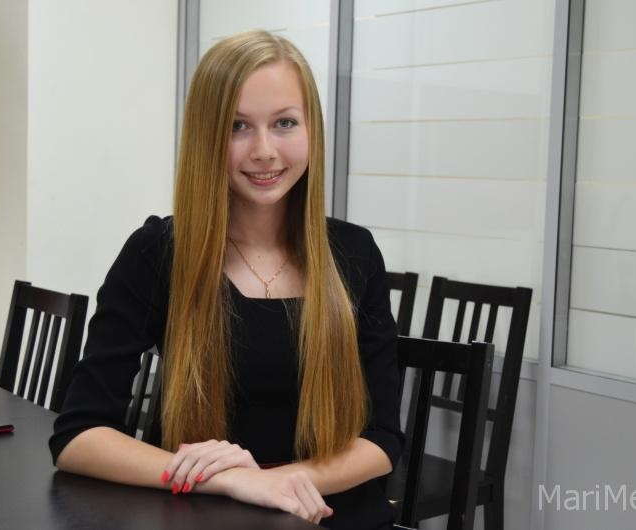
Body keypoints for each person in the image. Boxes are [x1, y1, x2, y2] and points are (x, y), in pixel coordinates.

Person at [49, 30, 403, 529]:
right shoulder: (158, 252)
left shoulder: (354, 252)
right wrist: (228, 481)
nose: (264, 150)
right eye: (238, 126)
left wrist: (277, 482)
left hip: (333, 515)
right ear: (206, 136)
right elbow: (78, 437)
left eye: (284, 123)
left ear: (312, 131)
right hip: (204, 517)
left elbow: (382, 439)